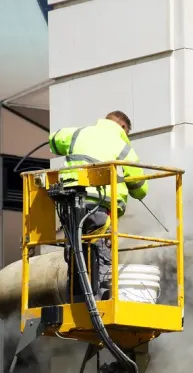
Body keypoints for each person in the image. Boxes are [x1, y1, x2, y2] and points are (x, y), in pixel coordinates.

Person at [48, 111, 148, 299]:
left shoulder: (77, 134)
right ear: (123, 128)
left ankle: (77, 298)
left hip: (70, 205)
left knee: (76, 252)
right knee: (99, 252)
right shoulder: (122, 146)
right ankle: (98, 301)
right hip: (100, 208)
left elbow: (54, 140)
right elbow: (140, 187)